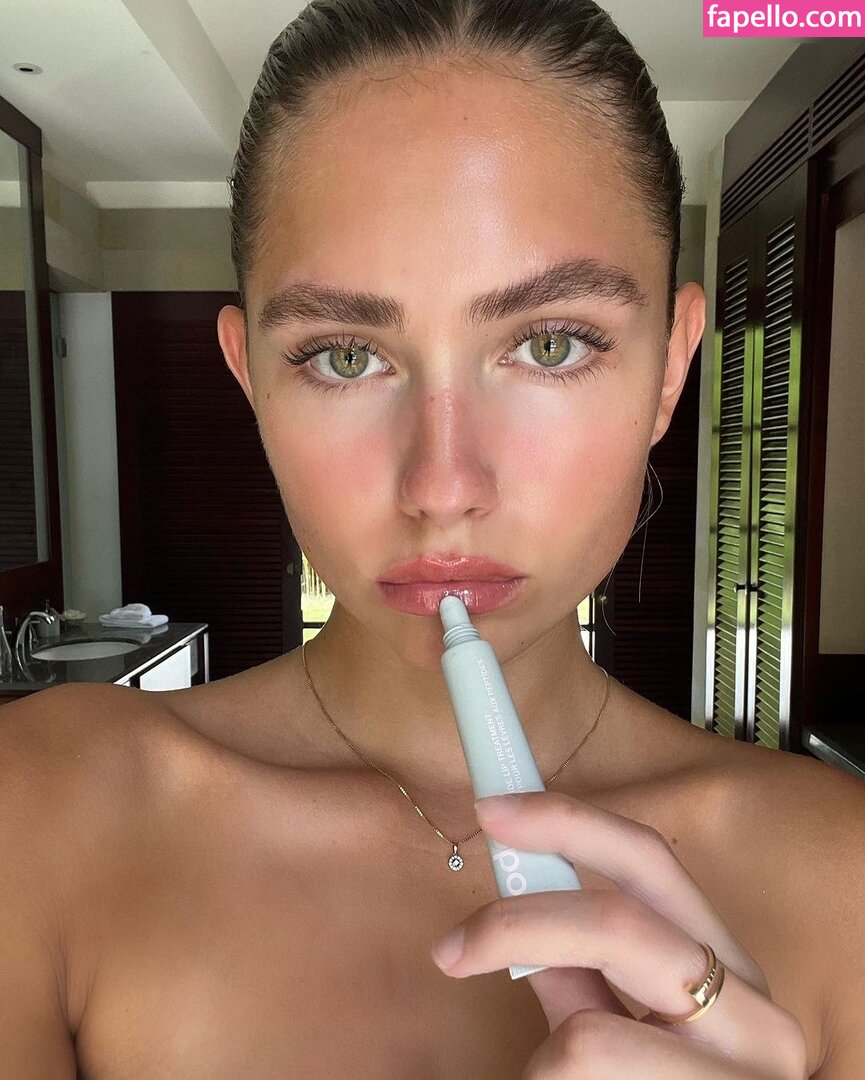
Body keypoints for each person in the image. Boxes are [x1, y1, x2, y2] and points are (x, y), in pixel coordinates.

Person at [2, 1, 863, 1076]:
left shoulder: (840, 876)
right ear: (250, 378)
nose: (443, 487)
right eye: (345, 357)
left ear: (670, 367)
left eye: (550, 345)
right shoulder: (41, 809)